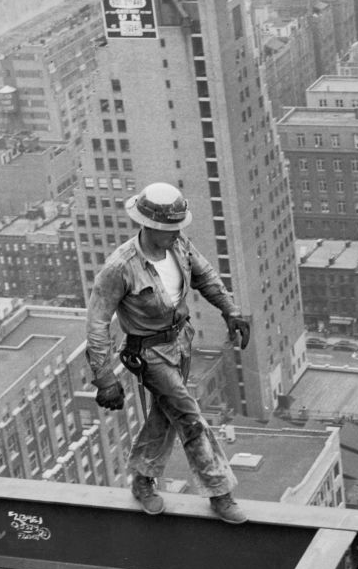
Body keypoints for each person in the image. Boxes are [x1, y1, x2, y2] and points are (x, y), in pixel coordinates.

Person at [85, 183, 251, 523]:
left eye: (178, 226)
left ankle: (142, 480)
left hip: (180, 342)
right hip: (149, 354)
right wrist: (104, 378)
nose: (175, 233)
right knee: (190, 418)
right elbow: (97, 322)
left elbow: (204, 275)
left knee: (166, 414)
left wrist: (230, 310)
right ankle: (220, 492)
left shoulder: (179, 244)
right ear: (147, 226)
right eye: (168, 228)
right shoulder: (121, 267)